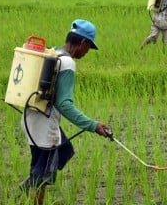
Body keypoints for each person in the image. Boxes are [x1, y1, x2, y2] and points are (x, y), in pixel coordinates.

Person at [19, 19, 111, 205]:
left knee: (65, 150)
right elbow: (64, 104)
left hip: (31, 118)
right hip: (44, 125)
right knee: (42, 175)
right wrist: (94, 126)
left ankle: (32, 179)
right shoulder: (67, 63)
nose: (87, 53)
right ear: (83, 43)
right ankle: (29, 188)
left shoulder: (53, 52)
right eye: (89, 48)